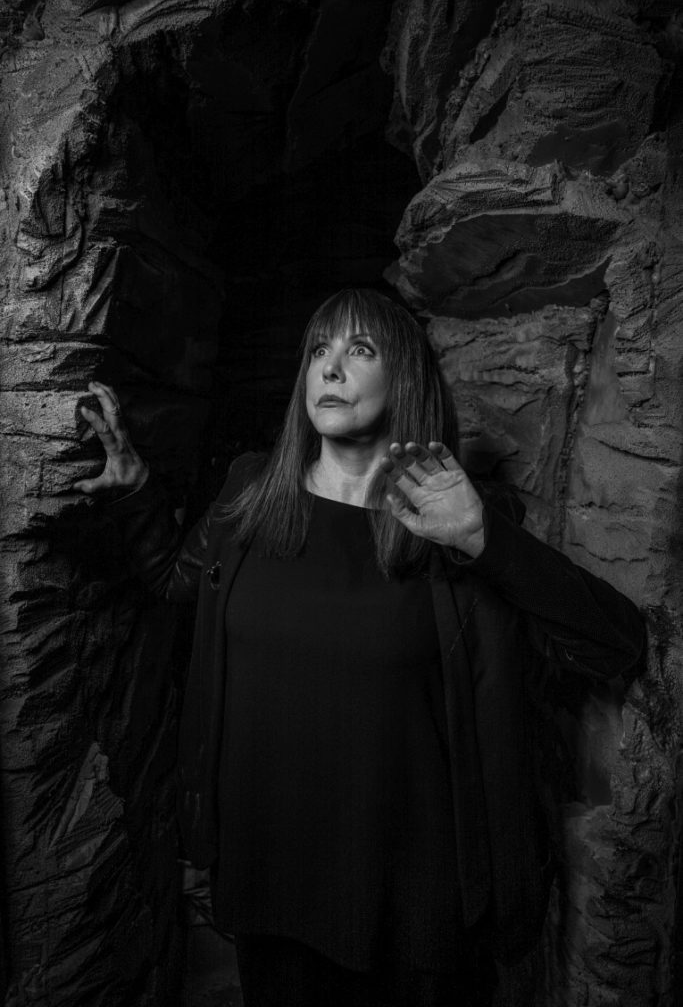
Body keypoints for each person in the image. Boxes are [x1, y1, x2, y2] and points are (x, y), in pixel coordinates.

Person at [74, 288, 644, 1007]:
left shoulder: (458, 518)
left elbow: (613, 644)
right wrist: (133, 491)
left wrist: (482, 539)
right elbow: (173, 581)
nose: (330, 368)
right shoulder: (251, 491)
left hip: (412, 900)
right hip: (268, 874)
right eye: (319, 350)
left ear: (403, 378)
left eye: (359, 350)